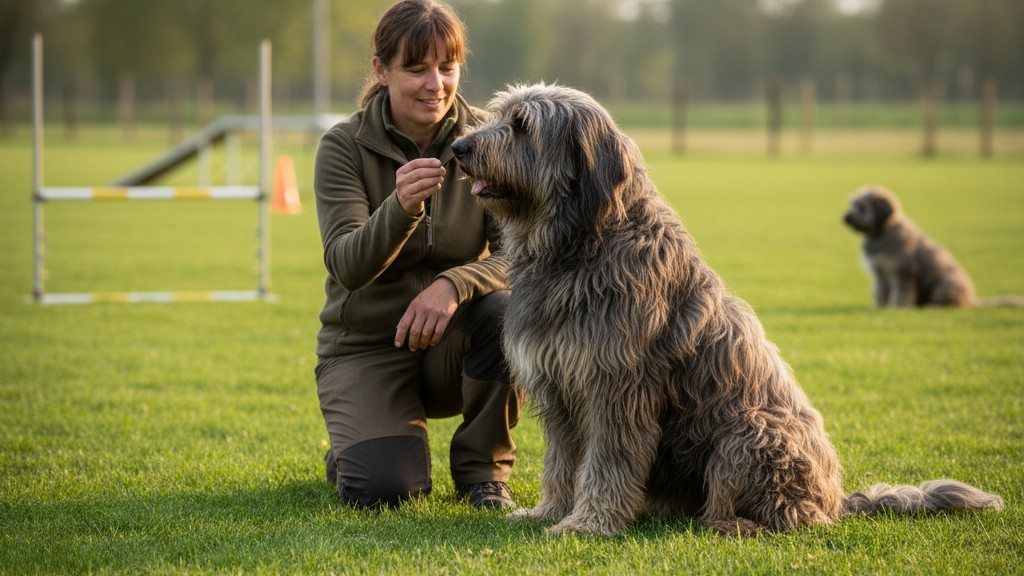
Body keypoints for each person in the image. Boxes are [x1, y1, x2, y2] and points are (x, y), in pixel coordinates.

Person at [312, 0, 521, 510]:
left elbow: (521, 256)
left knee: (509, 311)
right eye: (415, 68)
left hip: (451, 345)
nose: (436, 84)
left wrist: (452, 286)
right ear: (381, 71)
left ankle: (483, 475)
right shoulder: (342, 147)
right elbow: (346, 264)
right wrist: (401, 207)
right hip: (365, 349)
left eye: (447, 68)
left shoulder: (488, 140)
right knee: (386, 492)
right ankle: (357, 449)